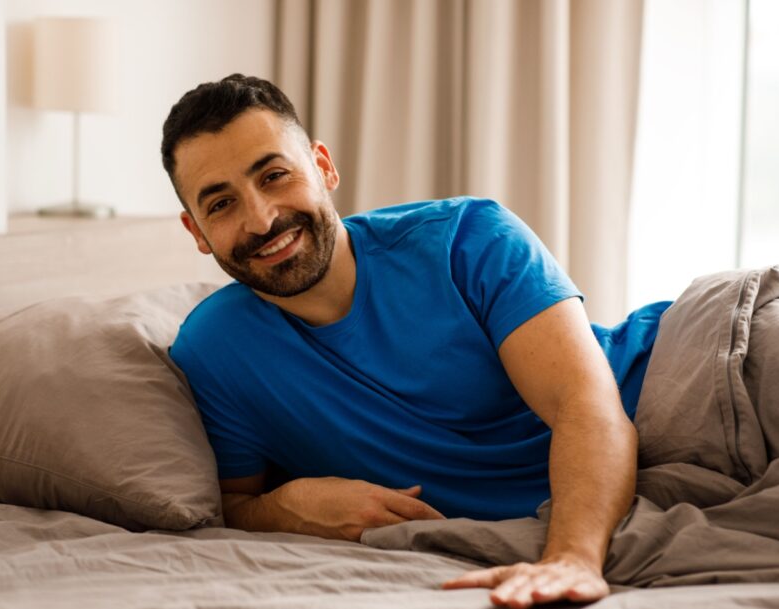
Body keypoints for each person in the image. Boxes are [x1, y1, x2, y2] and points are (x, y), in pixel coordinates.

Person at [161, 74, 671, 608]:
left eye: (274, 175)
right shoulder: (215, 352)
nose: (261, 219)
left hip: (681, 377)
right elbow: (233, 501)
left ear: (323, 167)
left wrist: (572, 557)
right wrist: (286, 504)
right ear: (195, 231)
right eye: (221, 205)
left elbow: (585, 405)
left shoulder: (469, 237)